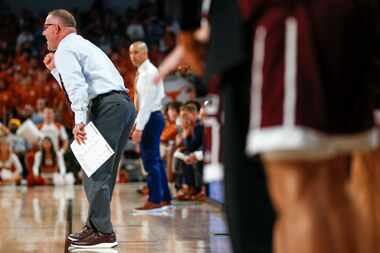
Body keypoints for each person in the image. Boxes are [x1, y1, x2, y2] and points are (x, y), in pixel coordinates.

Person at [42, 9, 136, 249]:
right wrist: (55, 70)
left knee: (93, 169)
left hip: (107, 107)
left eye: (46, 27)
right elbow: (81, 80)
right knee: (103, 173)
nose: (43, 33)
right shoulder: (80, 45)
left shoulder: (65, 48)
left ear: (57, 28)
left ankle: (103, 233)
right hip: (121, 105)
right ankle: (95, 226)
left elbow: (78, 87)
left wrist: (79, 121)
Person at [129, 41, 172, 212]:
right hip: (151, 117)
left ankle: (155, 199)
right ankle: (165, 197)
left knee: (150, 160)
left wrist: (139, 127)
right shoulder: (143, 71)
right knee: (155, 160)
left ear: (145, 53)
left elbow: (146, 104)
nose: (133, 56)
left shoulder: (148, 73)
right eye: (131, 53)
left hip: (151, 118)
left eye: (136, 52)